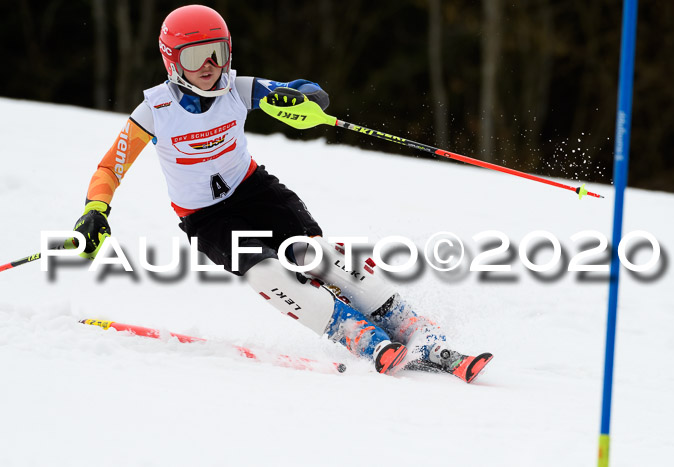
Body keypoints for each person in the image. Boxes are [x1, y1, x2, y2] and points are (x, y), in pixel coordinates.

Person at [72, 4, 490, 380]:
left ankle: (414, 328)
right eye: (195, 56)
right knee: (267, 272)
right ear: (171, 60)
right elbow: (111, 166)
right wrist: (96, 209)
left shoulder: (236, 87)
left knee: (316, 256)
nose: (210, 65)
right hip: (207, 218)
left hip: (256, 191)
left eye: (218, 51)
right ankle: (362, 337)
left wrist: (305, 96)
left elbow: (291, 91)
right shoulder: (154, 110)